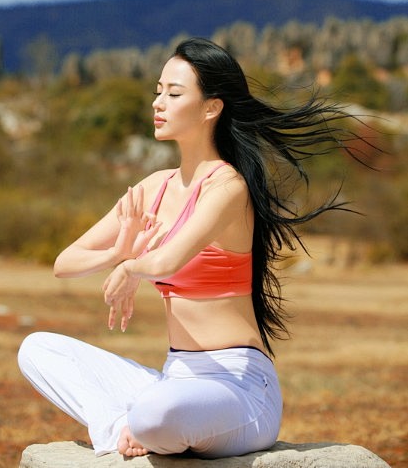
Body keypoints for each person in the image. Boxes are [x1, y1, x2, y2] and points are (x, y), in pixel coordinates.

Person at [18, 37, 360, 458]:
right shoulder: (154, 188)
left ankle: (139, 424)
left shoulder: (227, 186)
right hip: (175, 379)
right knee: (37, 349)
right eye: (158, 91)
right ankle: (123, 425)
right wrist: (115, 254)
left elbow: (170, 257)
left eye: (174, 93)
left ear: (211, 107)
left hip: (238, 388)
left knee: (155, 414)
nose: (158, 103)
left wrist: (132, 267)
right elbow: (64, 263)